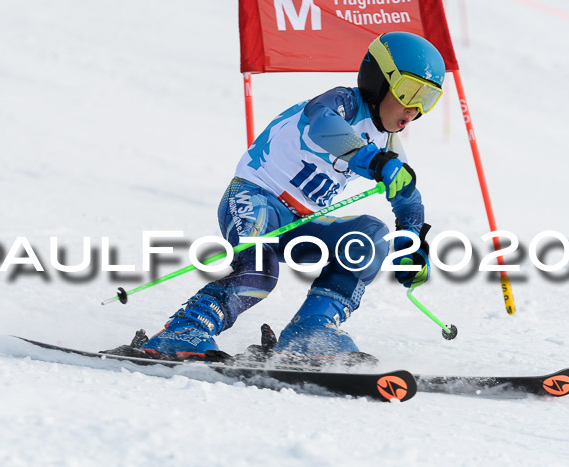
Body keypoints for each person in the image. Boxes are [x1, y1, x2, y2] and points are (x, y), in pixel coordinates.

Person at [138, 31, 445, 361]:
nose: (413, 108)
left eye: (427, 98)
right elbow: (323, 127)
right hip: (255, 197)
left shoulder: (389, 147)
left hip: (301, 222)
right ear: (379, 79)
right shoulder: (342, 103)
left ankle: (311, 331)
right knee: (259, 270)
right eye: (408, 91)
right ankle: (185, 330)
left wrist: (411, 244)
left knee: (370, 237)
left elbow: (408, 199)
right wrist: (372, 161)